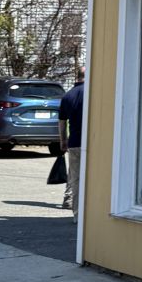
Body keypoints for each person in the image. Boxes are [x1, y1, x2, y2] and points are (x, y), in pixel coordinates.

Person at [57, 73, 85, 216]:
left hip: (74, 143)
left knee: (75, 178)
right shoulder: (91, 91)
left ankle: (77, 214)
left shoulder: (67, 96)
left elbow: (62, 122)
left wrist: (63, 141)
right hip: (90, 143)